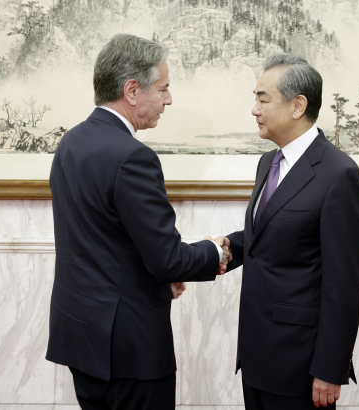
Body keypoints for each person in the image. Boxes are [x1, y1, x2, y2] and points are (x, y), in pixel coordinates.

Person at [46, 34, 230, 410]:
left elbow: (105, 242)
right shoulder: (133, 157)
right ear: (132, 90)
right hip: (129, 347)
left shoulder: (71, 142)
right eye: (163, 88)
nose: (169, 99)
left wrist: (160, 276)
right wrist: (214, 252)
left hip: (82, 337)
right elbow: (168, 260)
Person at [210, 55, 359, 409]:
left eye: (263, 99)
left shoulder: (339, 174)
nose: (254, 110)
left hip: (300, 363)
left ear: (298, 106)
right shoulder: (268, 162)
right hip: (256, 355)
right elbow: (270, 234)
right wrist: (227, 246)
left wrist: (330, 368)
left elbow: (344, 285)